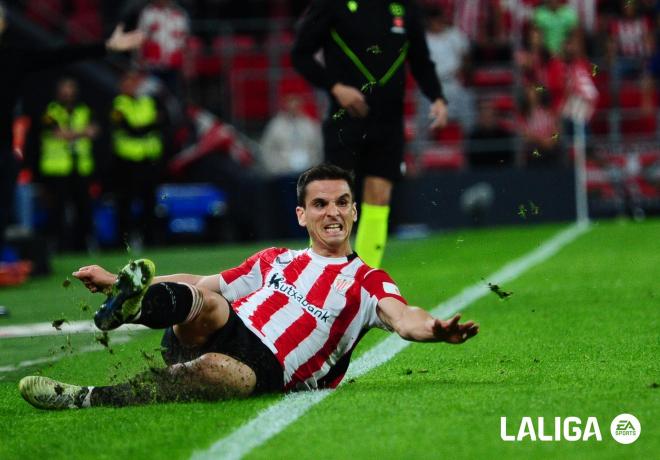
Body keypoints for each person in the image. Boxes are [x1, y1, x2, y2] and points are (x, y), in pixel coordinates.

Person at [18, 164, 479, 409]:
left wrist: (435, 329)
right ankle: (131, 305)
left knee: (222, 370)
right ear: (302, 215)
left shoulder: (368, 281)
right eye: (320, 204)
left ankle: (84, 398)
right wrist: (119, 281)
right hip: (219, 329)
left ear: (355, 211)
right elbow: (197, 284)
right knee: (210, 302)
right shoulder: (275, 258)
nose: (333, 212)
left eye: (342, 202)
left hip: (268, 368)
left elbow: (404, 317)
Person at [291, 0, 448, 269]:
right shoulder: (331, 5)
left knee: (379, 196)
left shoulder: (404, 8)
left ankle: (364, 280)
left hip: (388, 120)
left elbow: (420, 59)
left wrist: (437, 97)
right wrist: (335, 87)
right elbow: (301, 55)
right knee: (333, 198)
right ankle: (320, 274)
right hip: (346, 118)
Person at [0, 0, 143, 284]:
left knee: (2, 214)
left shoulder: (11, 58)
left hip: (2, 153)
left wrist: (106, 47)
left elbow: (59, 54)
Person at [37, 77, 100, 251]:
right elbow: (58, 134)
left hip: (80, 167)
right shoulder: (51, 111)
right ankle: (58, 247)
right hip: (57, 168)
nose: (67, 92)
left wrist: (72, 133)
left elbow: (94, 131)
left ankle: (81, 247)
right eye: (64, 88)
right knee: (57, 211)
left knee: (84, 209)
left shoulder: (83, 110)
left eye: (70, 88)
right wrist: (82, 132)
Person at [110, 69, 164, 248]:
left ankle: (151, 240)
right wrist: (149, 125)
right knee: (125, 202)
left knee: (149, 201)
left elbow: (163, 121)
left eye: (135, 82)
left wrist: (143, 126)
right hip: (127, 161)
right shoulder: (119, 104)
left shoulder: (147, 101)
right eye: (128, 82)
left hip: (148, 159)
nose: (132, 86)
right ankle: (122, 242)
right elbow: (131, 129)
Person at [260, 94, 323, 177]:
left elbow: (318, 148)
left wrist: (314, 167)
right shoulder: (275, 126)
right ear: (285, 104)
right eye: (290, 102)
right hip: (283, 172)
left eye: (296, 103)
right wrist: (275, 168)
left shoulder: (311, 124)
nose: (293, 106)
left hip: (308, 170)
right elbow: (266, 149)